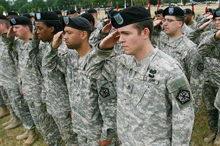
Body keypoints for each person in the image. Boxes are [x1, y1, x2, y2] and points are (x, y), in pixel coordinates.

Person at [86, 5, 194, 145]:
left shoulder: (168, 69)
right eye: (119, 34)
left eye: (126, 33)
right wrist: (102, 48)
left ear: (145, 33)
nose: (120, 40)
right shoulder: (123, 62)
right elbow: (91, 70)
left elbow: (183, 120)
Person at [45, 16, 118, 146]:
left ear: (83, 34)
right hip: (80, 128)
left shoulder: (98, 64)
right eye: (64, 32)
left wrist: (107, 135)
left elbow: (110, 104)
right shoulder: (70, 59)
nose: (65, 37)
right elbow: (49, 69)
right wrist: (53, 48)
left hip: (97, 133)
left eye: (69, 32)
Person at [34, 11, 78, 146]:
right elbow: (45, 76)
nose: (36, 33)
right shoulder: (46, 46)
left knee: (73, 141)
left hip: (65, 107)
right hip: (54, 104)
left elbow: (73, 81)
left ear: (52, 28)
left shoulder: (63, 49)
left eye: (40, 28)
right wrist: (45, 97)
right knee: (65, 138)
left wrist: (73, 107)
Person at [152, 6, 204, 113]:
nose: (165, 23)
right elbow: (141, 39)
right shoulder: (160, 38)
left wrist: (191, 109)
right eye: (164, 20)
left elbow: (197, 81)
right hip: (158, 98)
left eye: (170, 21)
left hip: (178, 101)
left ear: (180, 23)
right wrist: (152, 27)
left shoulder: (189, 48)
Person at [4, 16, 38, 146]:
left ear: (27, 28)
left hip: (37, 89)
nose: (14, 30)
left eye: (17, 27)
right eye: (13, 27)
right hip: (26, 86)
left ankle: (33, 132)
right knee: (27, 111)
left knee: (41, 118)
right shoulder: (19, 44)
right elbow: (8, 44)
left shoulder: (36, 44)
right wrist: (10, 35)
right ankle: (29, 130)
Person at [196, 7, 220, 145]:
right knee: (210, 107)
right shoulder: (209, 35)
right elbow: (200, 50)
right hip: (209, 78)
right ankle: (213, 130)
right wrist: (215, 37)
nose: (217, 23)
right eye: (216, 20)